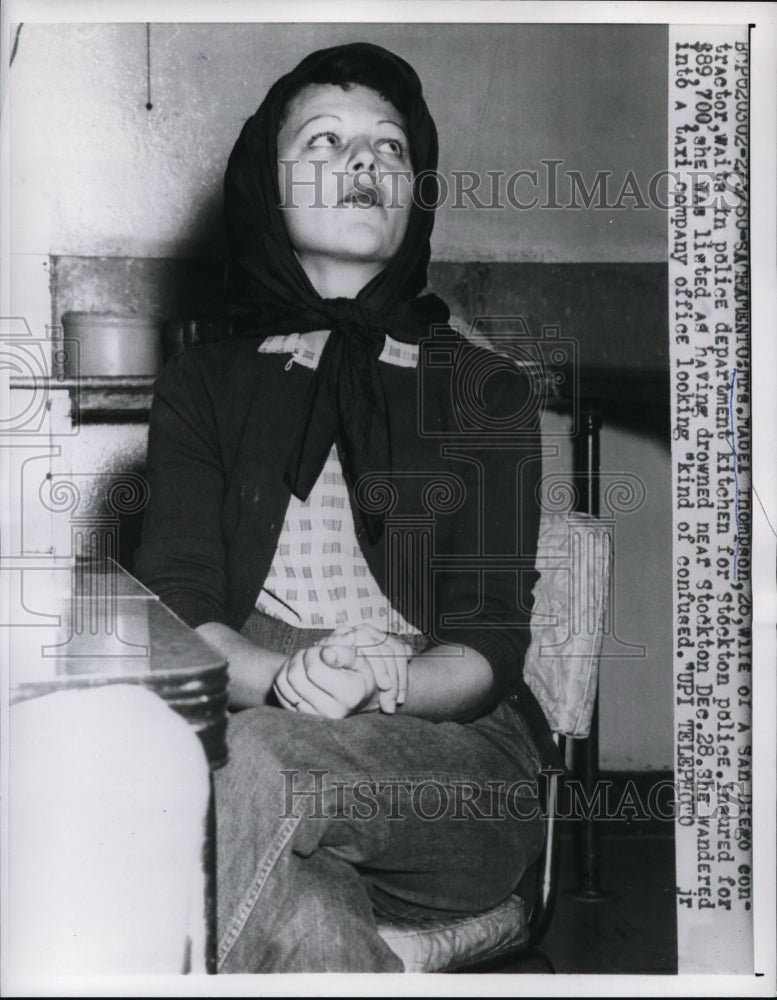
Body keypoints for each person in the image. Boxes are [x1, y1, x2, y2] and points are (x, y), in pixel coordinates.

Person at [136, 41, 553, 973]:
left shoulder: (485, 390)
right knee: (313, 929)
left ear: (416, 188)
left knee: (260, 764)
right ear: (265, 189)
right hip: (256, 720)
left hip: (453, 763)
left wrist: (383, 684)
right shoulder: (202, 384)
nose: (364, 164)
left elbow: (488, 644)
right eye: (324, 143)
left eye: (391, 148)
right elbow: (177, 613)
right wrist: (281, 682)